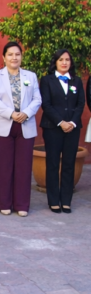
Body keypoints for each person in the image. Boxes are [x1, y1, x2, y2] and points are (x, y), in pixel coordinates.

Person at [0, 42, 41, 216]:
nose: (14, 58)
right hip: (3, 125)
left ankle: (22, 205)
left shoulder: (30, 76)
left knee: (23, 167)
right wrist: (11, 113)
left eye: (17, 54)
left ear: (21, 56)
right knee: (4, 166)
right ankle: (4, 203)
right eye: (10, 54)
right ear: (4, 57)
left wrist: (26, 113)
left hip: (25, 124)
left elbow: (37, 99)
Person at [40, 49, 85, 213]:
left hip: (73, 128)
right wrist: (61, 122)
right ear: (55, 62)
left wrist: (72, 122)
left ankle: (66, 200)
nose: (64, 62)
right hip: (53, 128)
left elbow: (80, 104)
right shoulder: (47, 80)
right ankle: (53, 200)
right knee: (52, 163)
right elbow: (46, 104)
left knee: (69, 164)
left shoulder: (76, 81)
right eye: (61, 59)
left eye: (67, 59)